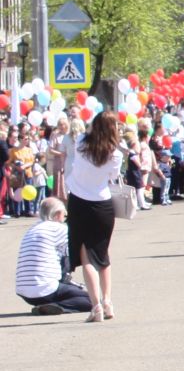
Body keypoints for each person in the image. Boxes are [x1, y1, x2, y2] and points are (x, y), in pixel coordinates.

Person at [65, 112, 125, 322]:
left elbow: (84, 135)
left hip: (79, 203)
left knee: (86, 256)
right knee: (102, 254)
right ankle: (108, 301)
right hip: (102, 205)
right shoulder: (115, 154)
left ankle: (96, 305)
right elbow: (112, 177)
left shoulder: (81, 143)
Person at [15, 198, 91, 315]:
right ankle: (56, 306)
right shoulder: (58, 228)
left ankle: (48, 303)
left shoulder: (32, 229)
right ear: (57, 214)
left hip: (24, 292)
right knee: (90, 300)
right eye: (64, 215)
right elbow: (82, 243)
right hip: (45, 289)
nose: (64, 218)